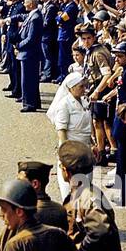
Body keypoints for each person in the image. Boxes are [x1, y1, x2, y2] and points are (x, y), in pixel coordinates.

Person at [48, 72, 91, 202]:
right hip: (72, 152)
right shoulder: (64, 105)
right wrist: (66, 152)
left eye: (84, 86)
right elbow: (61, 130)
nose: (84, 89)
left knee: (86, 191)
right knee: (71, 193)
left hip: (86, 150)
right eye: (81, 87)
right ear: (71, 88)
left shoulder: (84, 102)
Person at [17, 160, 68, 229]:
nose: (17, 185)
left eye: (20, 181)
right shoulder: (61, 210)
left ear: (35, 184)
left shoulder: (24, 214)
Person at [16, 0, 44, 112]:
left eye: (26, 3)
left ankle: (29, 103)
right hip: (28, 53)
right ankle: (34, 102)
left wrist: (19, 46)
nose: (24, 5)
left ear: (31, 4)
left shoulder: (35, 18)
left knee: (28, 80)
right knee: (31, 79)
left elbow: (31, 39)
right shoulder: (32, 15)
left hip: (29, 53)